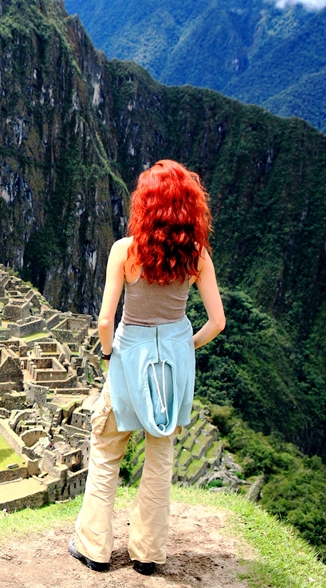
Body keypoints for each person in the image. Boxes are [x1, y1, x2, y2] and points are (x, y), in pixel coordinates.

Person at [68, 160, 226, 576]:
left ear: (146, 205)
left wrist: (108, 355)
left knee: (106, 449)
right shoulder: (197, 255)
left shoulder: (126, 250)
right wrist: (183, 347)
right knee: (160, 454)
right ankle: (148, 554)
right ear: (191, 208)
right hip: (172, 362)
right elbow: (217, 322)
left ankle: (95, 548)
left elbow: (105, 321)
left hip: (129, 355)